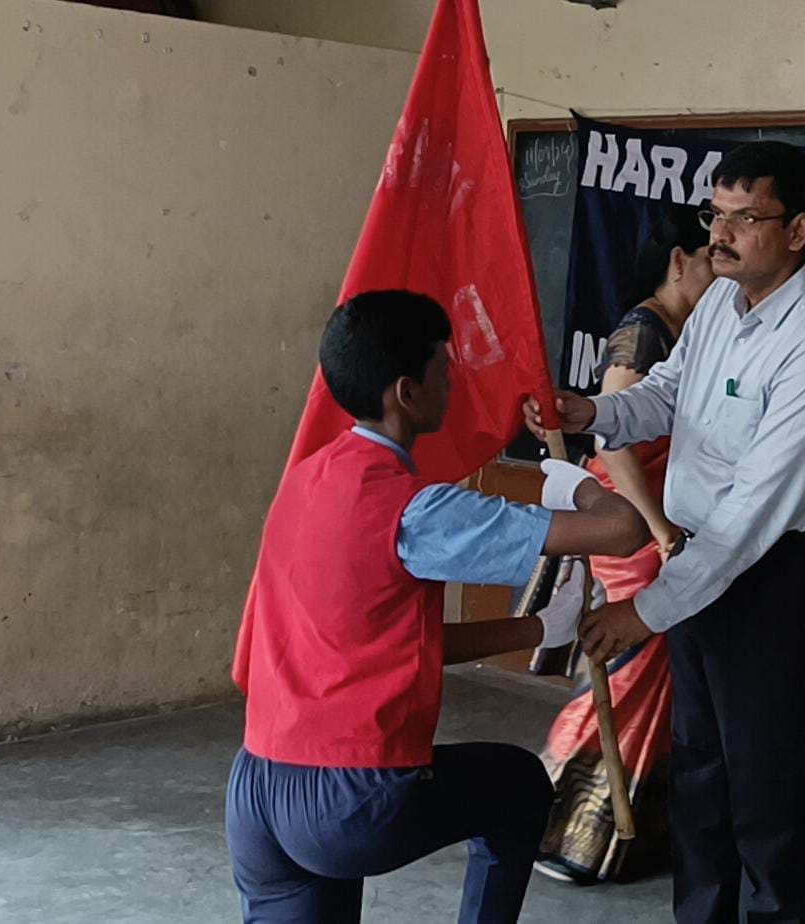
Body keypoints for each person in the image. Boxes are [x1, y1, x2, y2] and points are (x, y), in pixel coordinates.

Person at [525, 141, 805, 922]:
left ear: (796, 231)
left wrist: (644, 610)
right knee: (700, 773)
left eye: (743, 218)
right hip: (700, 560)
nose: (719, 235)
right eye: (713, 215)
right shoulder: (721, 301)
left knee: (766, 789)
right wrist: (591, 412)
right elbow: (663, 395)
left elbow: (752, 515)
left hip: (778, 580)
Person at [226, 290, 650, 924]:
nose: (452, 383)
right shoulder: (414, 509)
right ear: (406, 392)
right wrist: (579, 485)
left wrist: (536, 627)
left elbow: (393, 642)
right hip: (348, 798)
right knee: (518, 785)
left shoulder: (305, 478)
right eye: (442, 369)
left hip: (258, 791)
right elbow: (623, 530)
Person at [535, 205, 715, 885]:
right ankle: (560, 818)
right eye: (710, 257)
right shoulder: (643, 331)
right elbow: (614, 440)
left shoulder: (693, 330)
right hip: (632, 527)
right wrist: (658, 526)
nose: (721, 270)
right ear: (679, 261)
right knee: (629, 667)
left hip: (661, 519)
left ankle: (625, 828)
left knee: (655, 674)